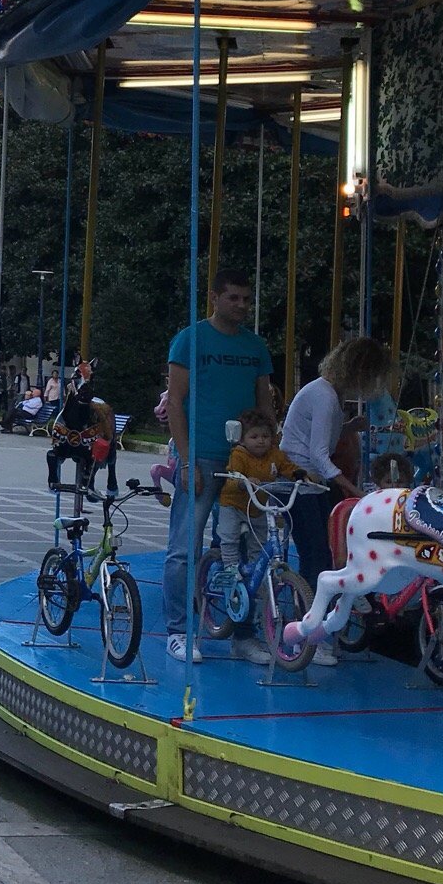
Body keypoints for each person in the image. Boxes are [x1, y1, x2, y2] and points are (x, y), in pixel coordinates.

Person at [163, 269, 277, 665]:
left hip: (245, 460)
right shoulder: (190, 339)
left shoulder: (255, 346)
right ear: (215, 298)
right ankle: (179, 630)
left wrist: (271, 452)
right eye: (234, 298)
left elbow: (264, 402)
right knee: (185, 546)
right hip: (204, 454)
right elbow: (175, 401)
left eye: (247, 299)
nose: (242, 306)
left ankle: (242, 632)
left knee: (247, 545)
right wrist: (186, 456)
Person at [277, 336, 388, 667]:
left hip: (311, 482)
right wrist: (352, 488)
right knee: (317, 556)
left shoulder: (328, 395)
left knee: (329, 553)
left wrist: (350, 426)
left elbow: (320, 436)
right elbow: (318, 454)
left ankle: (321, 624)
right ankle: (312, 633)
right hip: (299, 481)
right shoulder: (325, 396)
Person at [213, 410, 297, 664]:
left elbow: (287, 467)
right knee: (228, 536)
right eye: (254, 436)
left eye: (265, 436)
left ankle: (256, 575)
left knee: (261, 543)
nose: (260, 441)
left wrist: (300, 475)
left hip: (259, 505)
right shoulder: (239, 454)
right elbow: (233, 474)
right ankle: (229, 568)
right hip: (234, 502)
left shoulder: (275, 455)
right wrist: (242, 480)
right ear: (243, 439)